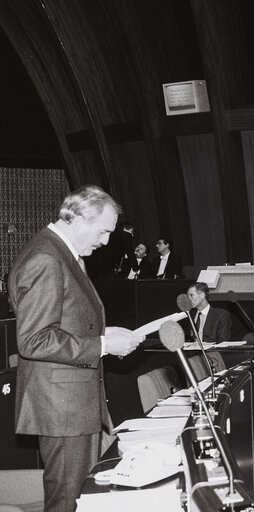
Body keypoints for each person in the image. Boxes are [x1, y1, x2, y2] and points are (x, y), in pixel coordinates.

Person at [8, 185, 144, 512]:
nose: (107, 241)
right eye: (104, 231)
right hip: (63, 409)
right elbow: (34, 339)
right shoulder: (47, 258)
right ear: (80, 218)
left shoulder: (61, 253)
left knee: (80, 499)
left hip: (72, 406)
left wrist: (104, 334)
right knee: (67, 503)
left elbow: (65, 322)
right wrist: (102, 344)